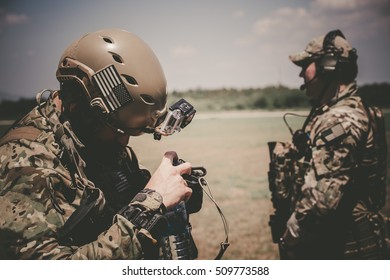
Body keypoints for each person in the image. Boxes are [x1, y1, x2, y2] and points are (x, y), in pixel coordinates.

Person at [0, 28, 197, 259]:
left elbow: (111, 207)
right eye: (116, 131)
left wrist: (167, 196)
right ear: (77, 106)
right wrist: (150, 205)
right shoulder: (24, 165)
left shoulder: (89, 137)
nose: (125, 142)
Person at [270, 29, 389, 259]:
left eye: (306, 65)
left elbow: (322, 200)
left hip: (344, 251)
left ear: (328, 67)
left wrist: (292, 234)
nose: (301, 74)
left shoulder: (342, 119)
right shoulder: (329, 113)